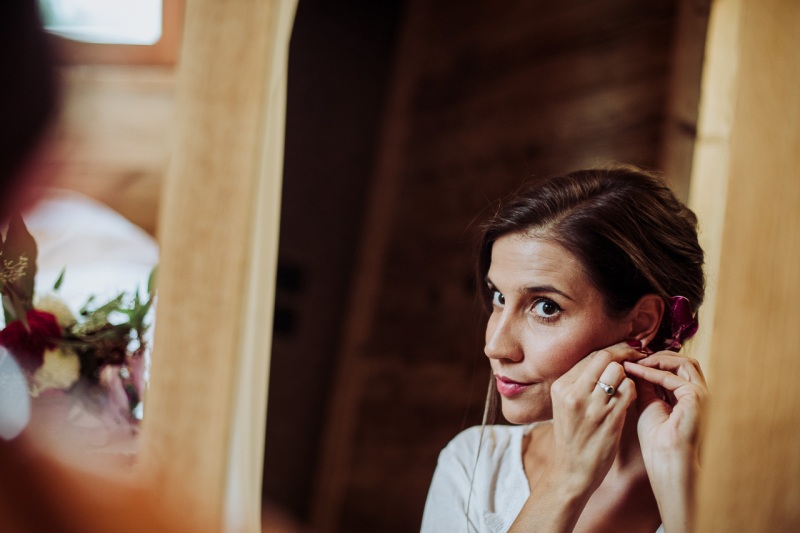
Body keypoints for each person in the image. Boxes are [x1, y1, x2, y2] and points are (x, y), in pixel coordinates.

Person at [421, 166, 707, 532]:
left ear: (641, 323)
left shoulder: (747, 481)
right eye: (498, 297)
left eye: (546, 307)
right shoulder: (475, 465)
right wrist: (567, 479)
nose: (495, 346)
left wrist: (680, 487)